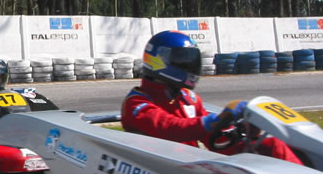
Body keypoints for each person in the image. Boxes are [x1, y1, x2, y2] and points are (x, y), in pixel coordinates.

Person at [121, 30, 302, 163]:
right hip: (164, 172)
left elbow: (214, 139)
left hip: (193, 166)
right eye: (183, 59)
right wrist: (215, 120)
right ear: (159, 60)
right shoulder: (136, 103)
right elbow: (170, 127)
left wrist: (244, 139)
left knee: (271, 145)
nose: (189, 65)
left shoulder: (187, 99)